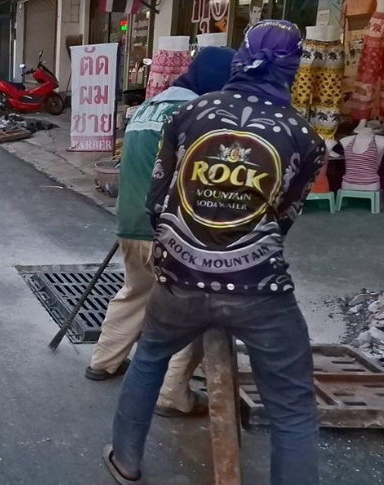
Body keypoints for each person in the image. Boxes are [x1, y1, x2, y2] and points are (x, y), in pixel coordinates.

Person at [103, 20, 324, 485]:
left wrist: (182, 253)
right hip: (258, 288)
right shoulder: (305, 137)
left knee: (149, 357)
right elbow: (286, 216)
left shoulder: (190, 113)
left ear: (242, 57)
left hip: (180, 279)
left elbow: (157, 199)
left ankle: (125, 460)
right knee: (292, 407)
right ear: (292, 67)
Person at [87, 46, 236, 418]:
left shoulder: (148, 108)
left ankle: (103, 360)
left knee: (136, 292)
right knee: (195, 310)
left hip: (130, 221)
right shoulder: (197, 113)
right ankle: (172, 393)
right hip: (171, 228)